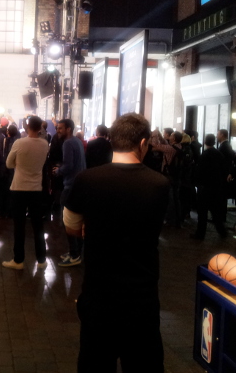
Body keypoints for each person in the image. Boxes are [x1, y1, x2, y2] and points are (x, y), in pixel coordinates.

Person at [64, 113, 170, 372]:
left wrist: (93, 229)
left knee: (95, 364)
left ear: (112, 140)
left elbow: (71, 226)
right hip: (141, 298)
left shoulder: (87, 179)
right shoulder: (159, 184)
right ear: (143, 143)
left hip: (98, 295)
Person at [2, 116, 49, 270]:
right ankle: (41, 259)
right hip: (36, 189)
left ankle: (18, 260)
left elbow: (9, 164)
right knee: (38, 225)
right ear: (40, 128)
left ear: (27, 127)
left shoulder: (19, 143)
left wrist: (19, 163)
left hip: (19, 188)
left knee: (19, 225)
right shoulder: (45, 144)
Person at [53, 119, 86, 267]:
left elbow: (68, 166)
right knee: (77, 221)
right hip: (80, 185)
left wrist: (58, 171)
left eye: (60, 128)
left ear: (68, 129)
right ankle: (77, 252)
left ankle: (74, 255)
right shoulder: (77, 141)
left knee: (68, 222)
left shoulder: (67, 143)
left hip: (70, 187)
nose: (58, 131)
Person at [191, 134, 228, 240]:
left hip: (205, 188)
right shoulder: (219, 155)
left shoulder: (204, 155)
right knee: (216, 212)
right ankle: (222, 231)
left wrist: (197, 183)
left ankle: (200, 234)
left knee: (202, 213)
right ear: (214, 142)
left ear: (205, 142)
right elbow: (224, 170)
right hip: (216, 188)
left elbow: (199, 172)